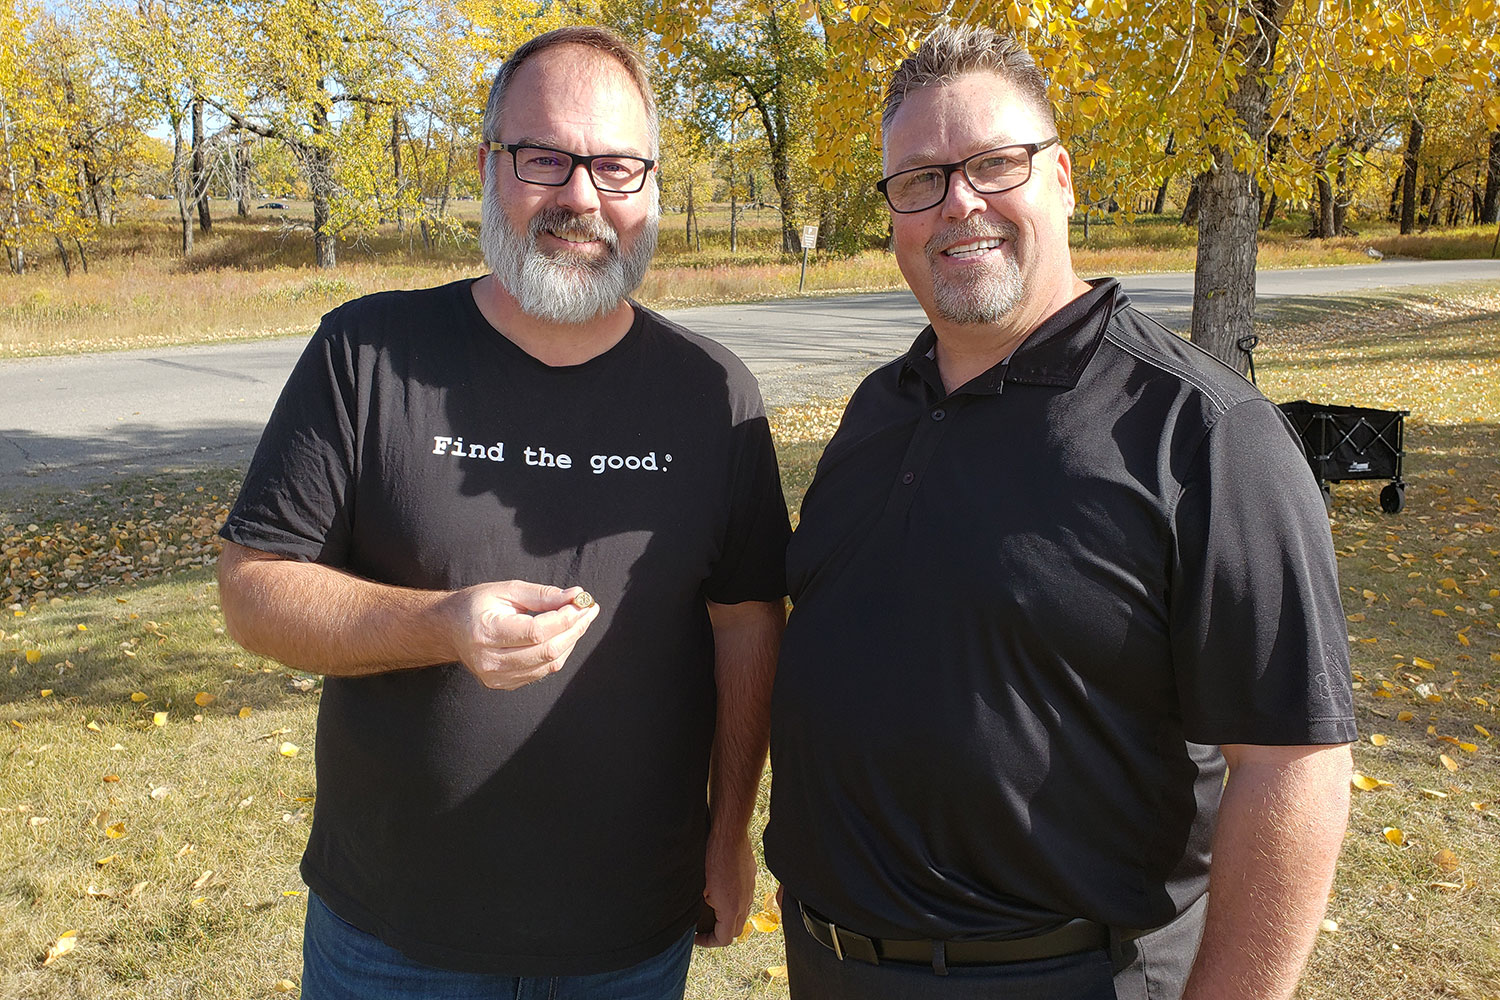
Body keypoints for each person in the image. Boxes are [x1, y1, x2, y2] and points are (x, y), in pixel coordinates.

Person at [763, 23, 1355, 1000]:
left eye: (995, 164)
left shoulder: (1204, 432)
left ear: (1064, 178)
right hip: (829, 964)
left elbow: (1294, 764)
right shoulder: (880, 407)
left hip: (1060, 974)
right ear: (893, 210)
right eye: (920, 179)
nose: (959, 203)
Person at [217, 25, 790, 1000]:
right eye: (544, 159)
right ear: (488, 166)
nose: (581, 196)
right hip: (393, 940)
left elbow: (745, 624)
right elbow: (252, 589)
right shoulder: (368, 353)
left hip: (630, 938)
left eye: (615, 166)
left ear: (650, 191)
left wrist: (728, 835)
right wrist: (439, 623)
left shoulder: (712, 393)